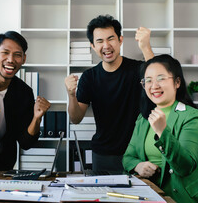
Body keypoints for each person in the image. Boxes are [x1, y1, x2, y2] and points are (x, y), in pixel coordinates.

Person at [64, 14, 154, 172]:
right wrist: (71, 94)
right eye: (99, 41)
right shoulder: (89, 77)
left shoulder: (137, 69)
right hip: (103, 155)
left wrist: (146, 48)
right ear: (92, 46)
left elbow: (158, 81)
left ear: (120, 40)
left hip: (137, 154)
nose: (106, 45)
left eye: (111, 39)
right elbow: (75, 118)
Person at [123, 54, 198, 202]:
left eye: (161, 78)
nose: (154, 86)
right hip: (150, 194)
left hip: (182, 196)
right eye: (148, 81)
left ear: (177, 82)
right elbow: (128, 157)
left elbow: (185, 167)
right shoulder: (144, 118)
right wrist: (138, 166)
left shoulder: (192, 117)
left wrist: (162, 132)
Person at [0, 31, 51, 174]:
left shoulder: (24, 92)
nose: (11, 60)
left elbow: (26, 143)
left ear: (24, 59)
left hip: (1, 165)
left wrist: (37, 118)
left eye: (17, 55)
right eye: (5, 53)